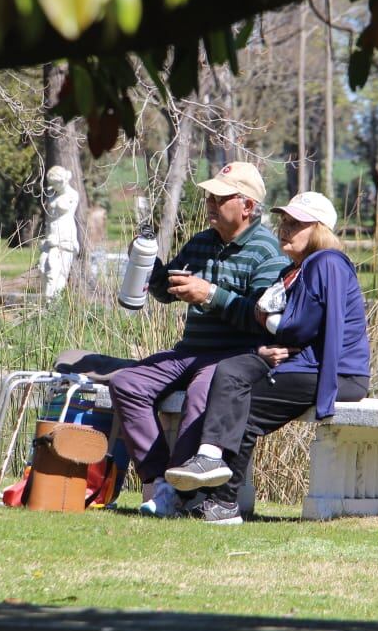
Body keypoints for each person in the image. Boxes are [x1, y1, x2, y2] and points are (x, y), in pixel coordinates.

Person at [164, 191, 370, 524]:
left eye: (296, 224)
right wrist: (267, 340)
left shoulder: (326, 261)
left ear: (319, 230)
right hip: (307, 365)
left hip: (337, 374)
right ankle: (209, 463)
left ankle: (222, 501)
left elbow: (299, 327)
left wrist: (268, 320)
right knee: (232, 370)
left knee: (242, 408)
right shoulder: (297, 269)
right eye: (284, 221)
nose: (285, 229)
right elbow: (291, 327)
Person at [107, 161, 288, 518]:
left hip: (234, 356)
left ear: (247, 206)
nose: (209, 203)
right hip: (190, 352)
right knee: (127, 383)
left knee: (200, 396)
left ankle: (179, 491)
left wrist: (209, 295)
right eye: (208, 196)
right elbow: (167, 291)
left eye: (219, 198)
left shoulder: (268, 253)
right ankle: (159, 481)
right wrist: (150, 268)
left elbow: (261, 320)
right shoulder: (202, 242)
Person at [39, 165, 80, 299]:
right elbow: (50, 217)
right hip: (50, 236)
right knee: (42, 270)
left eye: (55, 183)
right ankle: (47, 306)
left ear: (63, 181)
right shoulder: (52, 193)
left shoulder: (72, 195)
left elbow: (63, 209)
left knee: (56, 273)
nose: (53, 186)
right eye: (51, 184)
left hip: (64, 236)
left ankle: (53, 307)